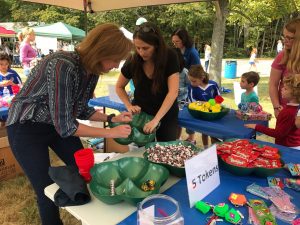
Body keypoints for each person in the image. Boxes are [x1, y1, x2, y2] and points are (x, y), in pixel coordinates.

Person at [6, 23, 133, 225]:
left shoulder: (92, 71)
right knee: (46, 189)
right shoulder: (62, 65)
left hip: (54, 124)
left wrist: (112, 119)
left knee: (85, 171)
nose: (117, 66)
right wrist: (111, 133)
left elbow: (81, 109)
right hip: (26, 127)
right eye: (116, 59)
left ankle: (91, 217)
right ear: (102, 51)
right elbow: (67, 127)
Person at [116, 22, 180, 141]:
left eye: (146, 48)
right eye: (137, 48)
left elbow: (173, 92)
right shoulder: (133, 59)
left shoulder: (170, 56)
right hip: (142, 115)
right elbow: (119, 87)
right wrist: (129, 105)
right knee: (142, 152)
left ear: (156, 45)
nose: (141, 52)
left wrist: (156, 120)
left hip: (166, 114)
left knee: (165, 151)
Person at [245, 74, 300, 149]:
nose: (282, 89)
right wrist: (283, 112)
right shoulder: (294, 108)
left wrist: (256, 126)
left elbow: (278, 133)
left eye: (286, 88)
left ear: (295, 94)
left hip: (288, 147)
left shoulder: (289, 112)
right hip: (293, 144)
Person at [269, 18, 300, 118]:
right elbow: (273, 85)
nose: (285, 41)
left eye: (290, 38)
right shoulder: (282, 57)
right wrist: (276, 107)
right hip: (286, 112)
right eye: (284, 36)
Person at [186, 64, 220, 146]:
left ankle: (215, 151)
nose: (192, 83)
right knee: (204, 133)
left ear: (202, 78)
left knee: (214, 134)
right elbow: (192, 104)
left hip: (213, 115)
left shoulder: (213, 85)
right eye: (190, 81)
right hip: (201, 115)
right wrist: (207, 104)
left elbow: (219, 99)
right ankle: (206, 149)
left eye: (194, 81)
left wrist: (208, 104)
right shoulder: (191, 88)